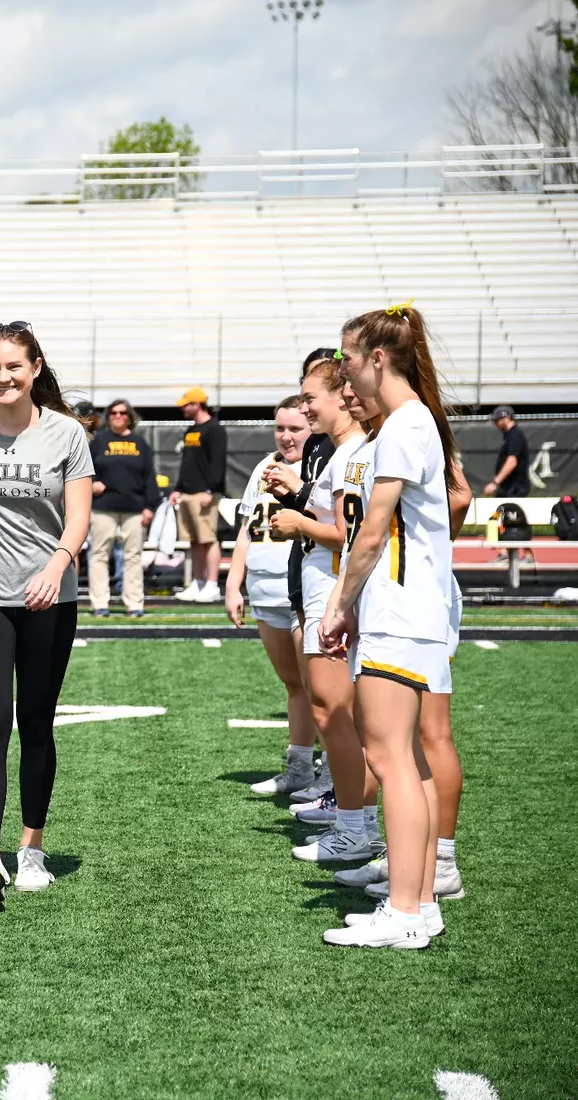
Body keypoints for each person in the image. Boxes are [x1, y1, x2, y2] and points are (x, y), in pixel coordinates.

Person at [321, 302, 463, 950]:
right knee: (407, 760)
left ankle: (405, 909)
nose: (346, 375)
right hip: (416, 609)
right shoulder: (415, 423)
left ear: (378, 358)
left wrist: (338, 605)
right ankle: (420, 900)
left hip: (401, 611)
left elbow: (373, 533)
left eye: (350, 359)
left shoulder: (405, 425)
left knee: (391, 757)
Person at [0, 322, 94, 904]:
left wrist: (56, 566)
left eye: (12, 367)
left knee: (36, 722)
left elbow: (77, 516)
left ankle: (30, 848)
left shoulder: (65, 434)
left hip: (49, 599)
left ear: (34, 369)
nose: (1, 377)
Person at [262, 359, 372, 853]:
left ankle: (354, 828)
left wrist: (300, 522)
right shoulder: (342, 452)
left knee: (337, 715)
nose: (305, 407)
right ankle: (354, 821)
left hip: (333, 587)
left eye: (310, 398)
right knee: (334, 713)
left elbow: (352, 536)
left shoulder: (353, 451)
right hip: (324, 585)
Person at [224, 397, 317, 814]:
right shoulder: (265, 466)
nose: (286, 436)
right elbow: (247, 526)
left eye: (295, 428)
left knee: (319, 688)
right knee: (294, 685)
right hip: (263, 590)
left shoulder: (317, 470)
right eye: (280, 428)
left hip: (301, 589)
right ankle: (299, 766)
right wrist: (233, 581)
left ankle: (331, 773)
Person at [88, 398, 159, 618]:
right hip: (103, 508)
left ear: (130, 417)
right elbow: (83, 470)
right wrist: (91, 484)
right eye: (114, 413)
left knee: (133, 557)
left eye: (123, 413)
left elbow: (149, 477)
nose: (118, 416)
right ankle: (100, 603)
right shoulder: (99, 441)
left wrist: (150, 506)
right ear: (108, 417)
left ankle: (135, 604)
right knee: (99, 555)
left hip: (134, 509)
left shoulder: (140, 444)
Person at [169, 387, 227, 603]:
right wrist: (178, 488)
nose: (183, 408)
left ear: (197, 404)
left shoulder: (215, 429)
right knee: (193, 540)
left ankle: (212, 584)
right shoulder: (190, 430)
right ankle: (198, 581)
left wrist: (211, 490)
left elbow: (218, 462)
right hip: (188, 493)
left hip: (205, 493)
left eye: (186, 404)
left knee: (208, 538)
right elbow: (187, 463)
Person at [482, 404, 531, 498]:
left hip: (514, 489)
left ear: (506, 418)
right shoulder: (509, 435)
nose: (495, 424)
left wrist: (495, 483)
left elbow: (512, 461)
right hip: (508, 487)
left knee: (504, 512)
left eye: (497, 420)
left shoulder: (515, 434)